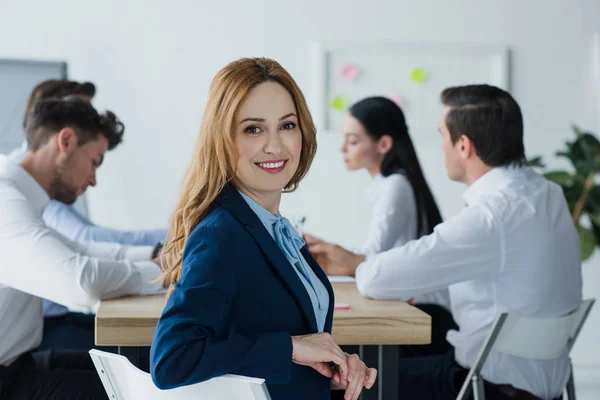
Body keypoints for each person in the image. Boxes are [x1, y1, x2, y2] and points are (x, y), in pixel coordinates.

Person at [308, 85, 582, 400]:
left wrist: (357, 264)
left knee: (338, 379)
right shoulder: (548, 194)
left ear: (463, 145)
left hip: (483, 388)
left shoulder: (491, 217)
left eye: (442, 136)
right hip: (547, 388)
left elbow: (376, 278)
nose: (441, 148)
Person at [150, 58, 376, 400]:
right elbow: (172, 360)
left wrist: (332, 368)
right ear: (223, 139)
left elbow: (266, 345)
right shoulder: (223, 233)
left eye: (287, 125)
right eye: (253, 129)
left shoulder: (273, 229)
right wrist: (291, 348)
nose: (275, 146)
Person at [0, 97, 165, 399]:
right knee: (138, 393)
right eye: (94, 161)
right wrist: (156, 273)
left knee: (142, 371)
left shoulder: (18, 196)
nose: (93, 179)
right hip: (6, 381)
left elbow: (77, 248)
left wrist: (157, 255)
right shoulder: (5, 201)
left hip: (18, 366)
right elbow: (80, 281)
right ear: (66, 140)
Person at [305, 96, 454, 356]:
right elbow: (376, 256)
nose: (342, 148)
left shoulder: (395, 186)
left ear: (384, 144)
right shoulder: (387, 185)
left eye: (352, 141)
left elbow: (373, 258)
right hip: (413, 306)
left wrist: (334, 252)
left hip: (424, 312)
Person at [8, 79, 167, 247]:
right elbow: (84, 239)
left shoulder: (38, 182)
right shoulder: (21, 189)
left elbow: (80, 248)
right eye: (82, 111)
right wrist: (174, 239)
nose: (93, 120)